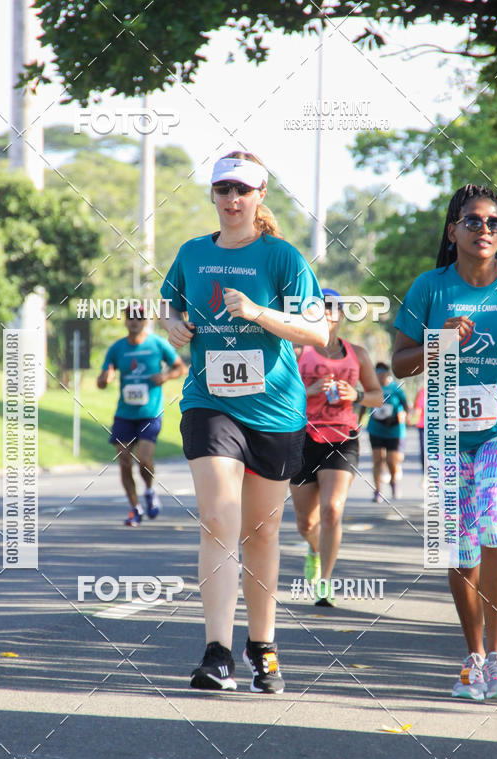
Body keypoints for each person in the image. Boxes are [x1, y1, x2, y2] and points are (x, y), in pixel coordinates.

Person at [159, 150, 328, 693]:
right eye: (223, 190)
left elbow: (317, 333)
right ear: (212, 195)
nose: (232, 200)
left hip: (275, 411)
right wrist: (173, 326)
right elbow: (168, 304)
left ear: (259, 198)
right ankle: (216, 651)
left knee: (261, 532)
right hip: (210, 402)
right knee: (217, 519)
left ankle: (264, 646)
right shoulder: (191, 253)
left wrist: (259, 314)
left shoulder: (283, 258)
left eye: (242, 191)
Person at [392, 183, 497, 701]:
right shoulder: (431, 287)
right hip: (448, 433)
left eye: (495, 223)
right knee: (456, 543)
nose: (485, 230)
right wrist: (438, 341)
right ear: (453, 232)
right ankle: (473, 655)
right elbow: (401, 362)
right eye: (473, 221)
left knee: (494, 518)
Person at [290, 292, 383, 606]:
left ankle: (325, 583)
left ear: (342, 314)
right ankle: (314, 549)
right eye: (320, 307)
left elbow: (377, 396)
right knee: (306, 523)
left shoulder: (356, 353)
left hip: (342, 438)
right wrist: (308, 390)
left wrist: (354, 395)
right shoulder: (297, 350)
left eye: (332, 307)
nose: (327, 313)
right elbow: (276, 394)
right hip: (302, 439)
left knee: (332, 510)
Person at [98, 303, 185, 525]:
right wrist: (104, 378)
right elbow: (102, 379)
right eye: (130, 317)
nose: (134, 321)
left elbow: (180, 367)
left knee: (144, 460)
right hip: (125, 414)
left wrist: (165, 377)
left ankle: (149, 490)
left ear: (145, 320)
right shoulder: (117, 348)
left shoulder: (158, 344)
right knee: (124, 461)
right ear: (126, 320)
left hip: (150, 412)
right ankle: (134, 508)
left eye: (139, 317)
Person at [366, 362, 409, 501]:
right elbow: (364, 404)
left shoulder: (396, 388)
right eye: (377, 374)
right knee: (377, 459)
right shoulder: (371, 387)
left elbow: (406, 405)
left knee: (391, 460)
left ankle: (393, 482)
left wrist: (407, 417)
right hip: (375, 428)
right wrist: (358, 421)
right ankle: (377, 491)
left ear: (387, 374)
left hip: (393, 429)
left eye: (382, 373)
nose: (380, 376)